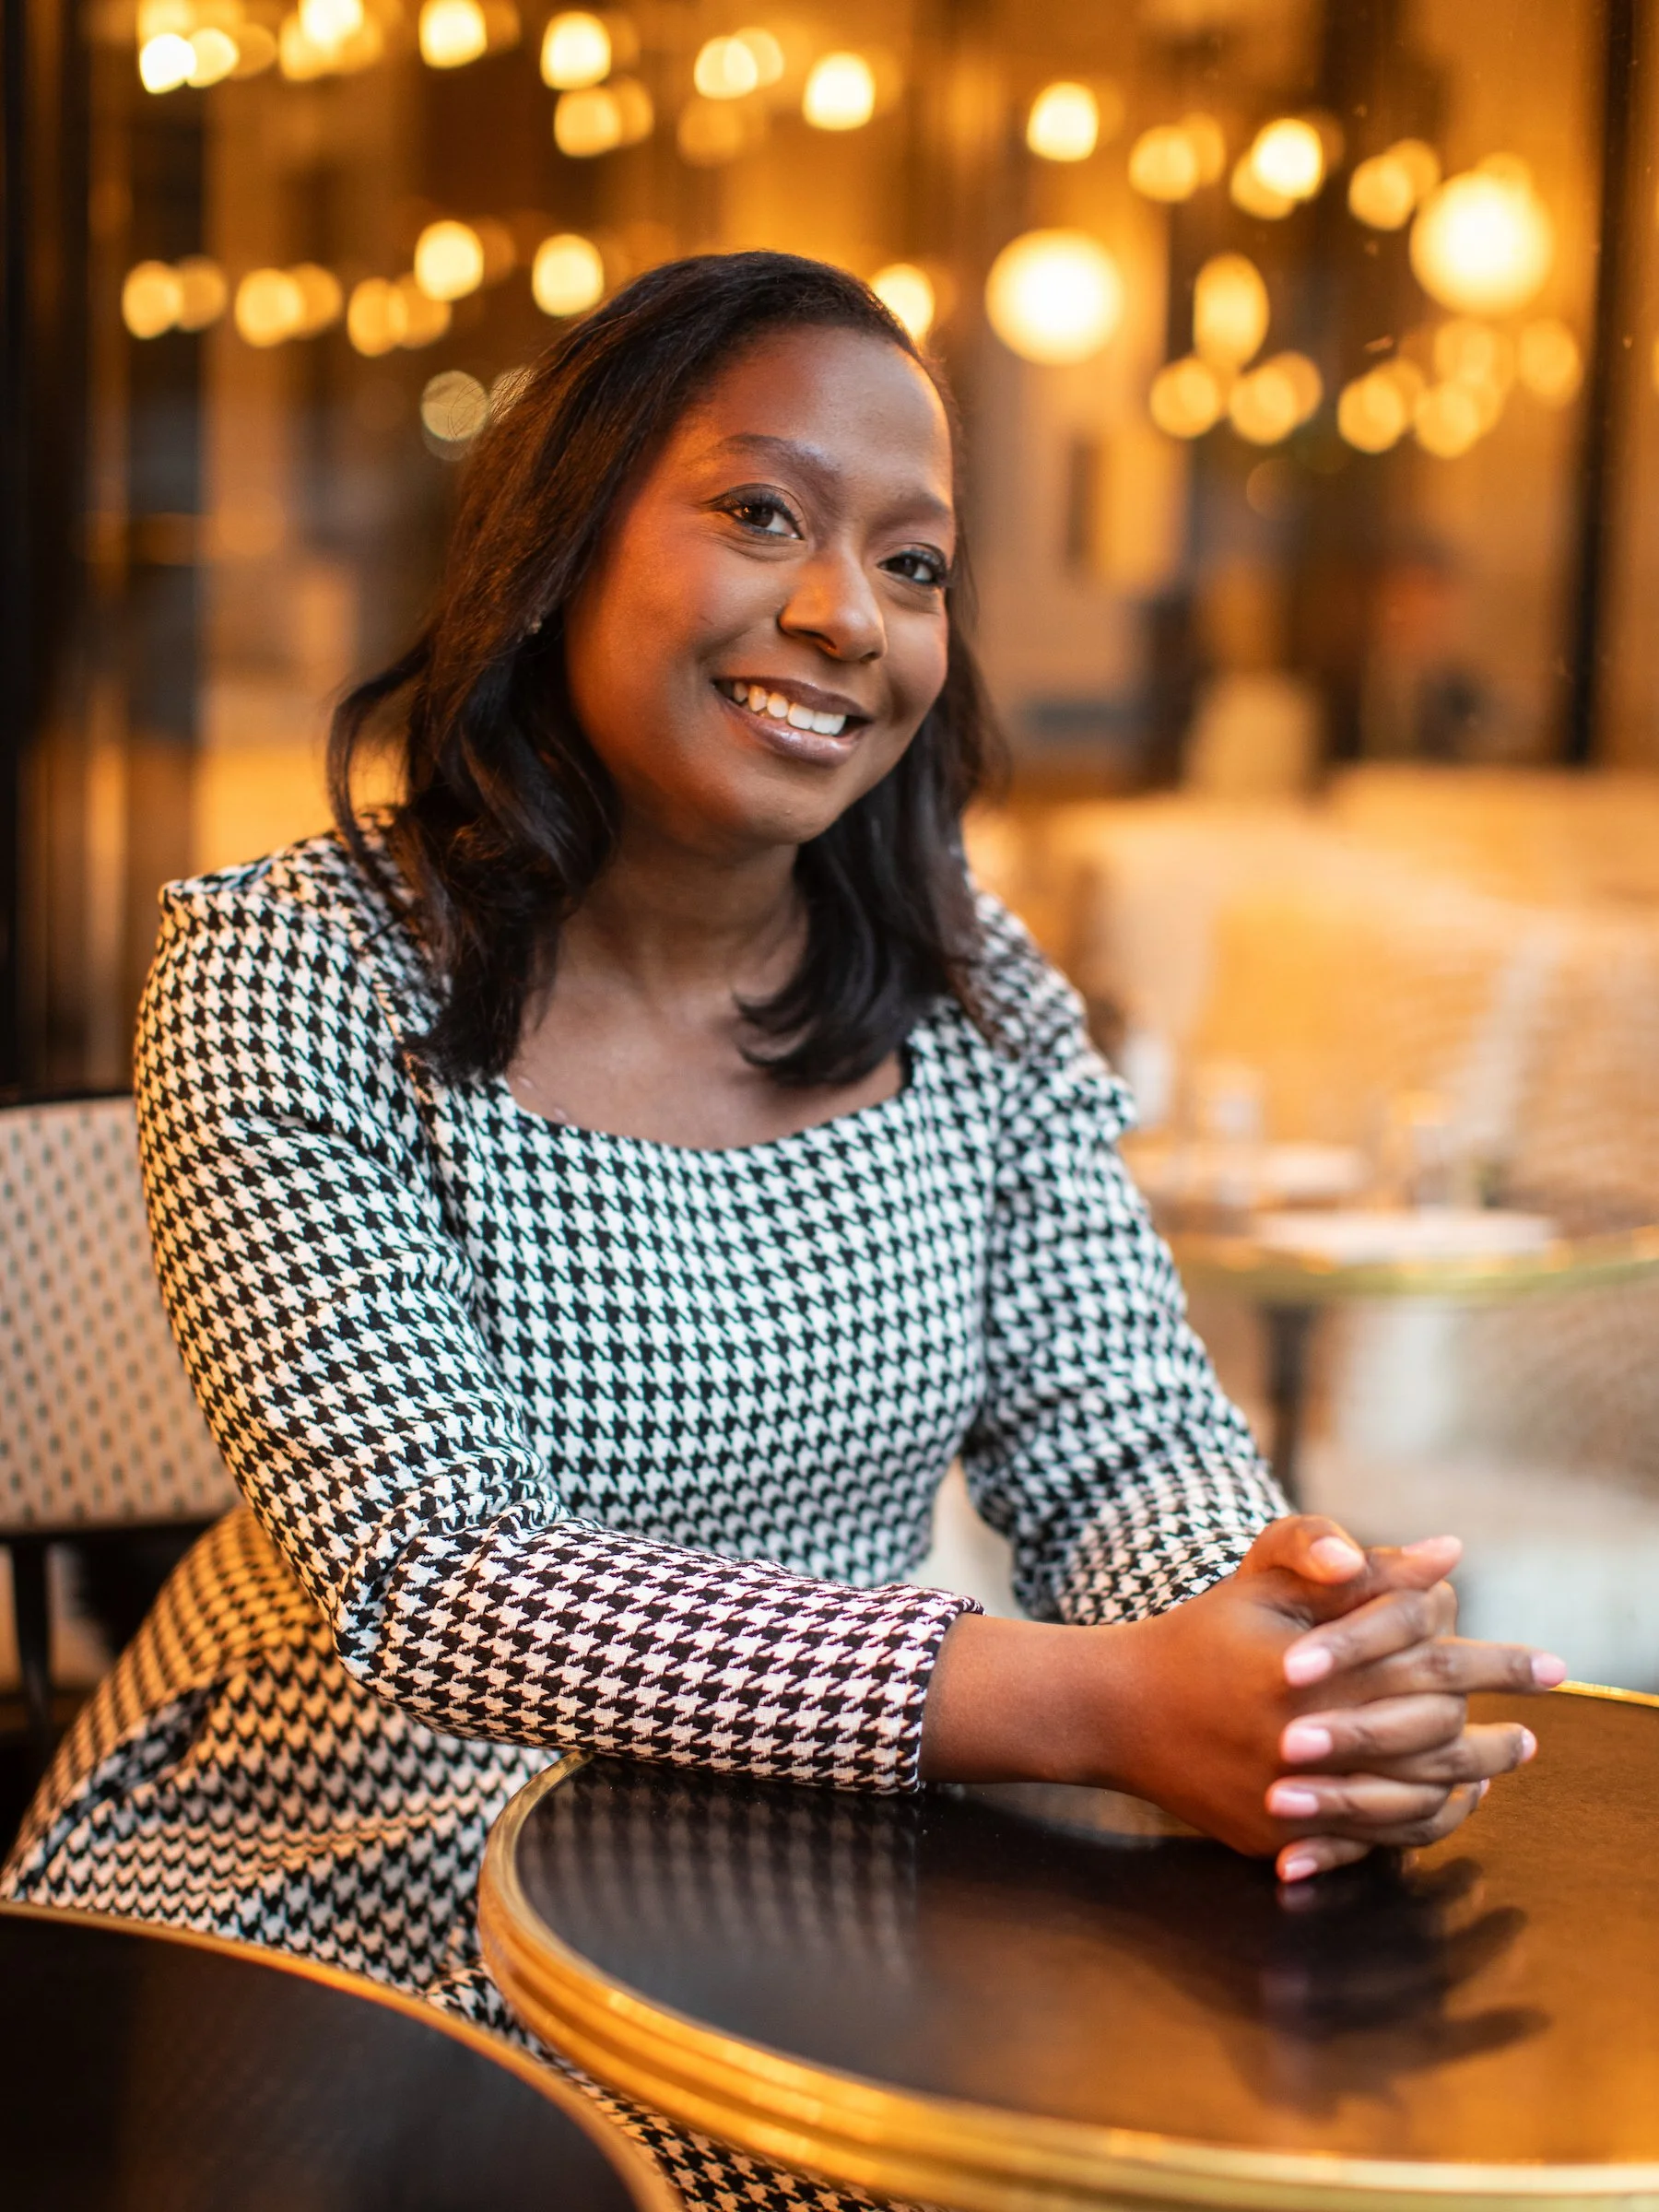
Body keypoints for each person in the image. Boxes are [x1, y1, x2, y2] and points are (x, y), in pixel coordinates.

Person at [3, 253, 1560, 2210]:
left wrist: (1282, 1644)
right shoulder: (290, 969)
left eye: (913, 568)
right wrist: (1086, 1701)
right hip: (339, 1868)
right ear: (562, 546)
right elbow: (433, 1578)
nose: (845, 616)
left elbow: (1127, 1436)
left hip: (806, 1847)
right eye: (761, 515)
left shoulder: (971, 989)